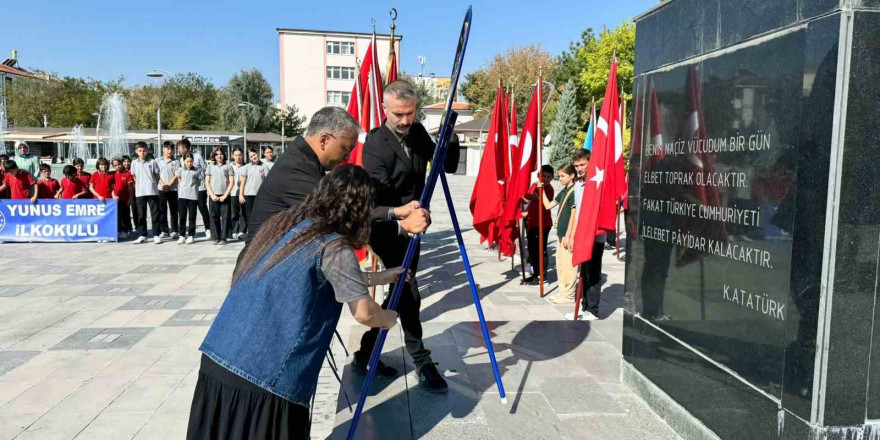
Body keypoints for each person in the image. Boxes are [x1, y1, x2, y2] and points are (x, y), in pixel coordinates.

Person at [187, 165, 402, 440]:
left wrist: (379, 277)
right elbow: (363, 313)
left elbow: (322, 275)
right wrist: (387, 318)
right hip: (265, 380)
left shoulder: (290, 226)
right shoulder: (335, 246)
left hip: (220, 359)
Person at [354, 80, 460, 394]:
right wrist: (405, 213)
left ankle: (365, 352)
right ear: (385, 109)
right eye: (398, 114)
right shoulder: (375, 143)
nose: (404, 120)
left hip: (414, 227)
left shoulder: (415, 132)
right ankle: (422, 361)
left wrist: (448, 139)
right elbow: (377, 194)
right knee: (408, 291)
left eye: (410, 113)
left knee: (399, 293)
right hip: (386, 227)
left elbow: (446, 165)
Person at [245, 106, 430, 240]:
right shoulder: (297, 171)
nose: (347, 156)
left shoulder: (303, 160)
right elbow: (342, 220)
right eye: (346, 148)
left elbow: (344, 209)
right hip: (263, 274)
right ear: (324, 140)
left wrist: (395, 211)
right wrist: (402, 226)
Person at [563, 149, 604, 321]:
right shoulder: (578, 184)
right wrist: (572, 235)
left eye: (582, 165)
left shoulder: (597, 182)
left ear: (590, 162)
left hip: (595, 235)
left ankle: (592, 310)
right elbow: (577, 212)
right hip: (581, 234)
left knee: (592, 273)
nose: (579, 168)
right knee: (583, 272)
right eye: (576, 165)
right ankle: (583, 306)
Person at [535, 164, 577, 303]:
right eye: (559, 176)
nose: (560, 179)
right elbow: (548, 205)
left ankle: (569, 294)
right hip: (560, 233)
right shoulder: (564, 191)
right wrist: (541, 191)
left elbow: (574, 215)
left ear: (572, 176)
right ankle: (562, 292)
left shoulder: (574, 191)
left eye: (563, 176)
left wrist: (569, 235)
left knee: (569, 265)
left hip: (567, 234)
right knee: (560, 264)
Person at [522, 165, 555, 283]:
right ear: (538, 175)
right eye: (543, 176)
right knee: (532, 249)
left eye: (548, 176)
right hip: (532, 221)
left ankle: (542, 275)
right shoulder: (535, 185)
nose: (545, 178)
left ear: (552, 178)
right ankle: (536, 273)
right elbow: (528, 200)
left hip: (543, 224)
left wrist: (520, 190)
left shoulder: (548, 189)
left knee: (541, 250)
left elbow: (533, 197)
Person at [176, 140, 211, 239]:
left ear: (185, 148)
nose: (178, 150)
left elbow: (205, 170)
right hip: (187, 190)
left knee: (202, 208)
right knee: (185, 213)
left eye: (179, 148)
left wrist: (201, 183)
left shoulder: (197, 157)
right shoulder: (181, 159)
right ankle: (184, 234)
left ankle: (208, 229)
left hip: (200, 188)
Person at [130, 142, 162, 244]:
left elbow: (157, 176)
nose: (142, 153)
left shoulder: (152, 162)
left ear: (147, 151)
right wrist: (139, 185)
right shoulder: (134, 163)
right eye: (140, 151)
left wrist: (155, 185)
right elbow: (134, 176)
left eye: (144, 151)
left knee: (155, 214)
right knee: (141, 215)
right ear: (136, 152)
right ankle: (142, 235)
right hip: (140, 192)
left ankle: (156, 234)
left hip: (152, 191)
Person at [238, 149, 268, 240]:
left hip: (259, 195)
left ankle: (259, 234)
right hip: (248, 195)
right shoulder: (246, 167)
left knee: (259, 215)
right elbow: (243, 182)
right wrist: (241, 194)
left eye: (254, 154)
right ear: (249, 159)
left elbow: (267, 182)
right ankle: (251, 234)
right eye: (251, 156)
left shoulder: (264, 167)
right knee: (249, 215)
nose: (253, 157)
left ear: (258, 154)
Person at [206, 147, 234, 245]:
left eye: (221, 154)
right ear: (214, 156)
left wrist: (225, 195)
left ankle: (223, 237)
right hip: (213, 195)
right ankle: (216, 236)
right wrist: (212, 194)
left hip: (225, 195)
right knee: (214, 216)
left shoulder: (228, 166)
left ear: (224, 155)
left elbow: (231, 182)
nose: (219, 156)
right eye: (217, 154)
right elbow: (207, 182)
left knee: (225, 217)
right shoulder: (210, 166)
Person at [176, 153, 203, 245]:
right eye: (187, 161)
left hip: (193, 196)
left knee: (192, 216)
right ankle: (182, 235)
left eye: (191, 161)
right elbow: (179, 179)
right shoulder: (180, 170)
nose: (189, 163)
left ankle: (191, 235)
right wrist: (182, 186)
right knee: (182, 216)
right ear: (184, 161)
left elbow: (199, 182)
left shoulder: (197, 171)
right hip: (182, 196)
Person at [157, 141, 180, 239]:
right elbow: (156, 174)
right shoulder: (157, 161)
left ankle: (174, 230)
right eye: (167, 149)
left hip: (173, 189)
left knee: (174, 211)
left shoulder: (176, 161)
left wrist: (169, 185)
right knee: (162, 211)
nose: (169, 151)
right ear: (163, 149)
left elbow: (177, 174)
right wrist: (163, 184)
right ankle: (164, 230)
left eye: (171, 149)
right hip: (161, 189)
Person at [113, 158, 135, 238]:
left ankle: (125, 230)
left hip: (125, 198)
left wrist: (130, 198)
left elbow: (130, 188)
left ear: (122, 164)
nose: (117, 166)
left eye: (119, 164)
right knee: (118, 216)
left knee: (125, 215)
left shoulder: (127, 174)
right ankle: (119, 230)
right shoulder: (113, 174)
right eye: (115, 165)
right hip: (116, 199)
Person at [228, 148, 247, 240]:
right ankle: (234, 230)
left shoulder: (246, 166)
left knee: (243, 212)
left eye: (239, 155)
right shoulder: (230, 166)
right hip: (233, 193)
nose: (238, 157)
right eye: (236, 155)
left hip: (243, 193)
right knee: (234, 213)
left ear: (242, 155)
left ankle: (242, 230)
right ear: (232, 156)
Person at [123, 155, 139, 230]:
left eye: (128, 161)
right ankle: (128, 227)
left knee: (135, 211)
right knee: (126, 212)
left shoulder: (134, 170)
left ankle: (137, 226)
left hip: (135, 192)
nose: (126, 163)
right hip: (125, 193)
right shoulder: (121, 172)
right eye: (124, 162)